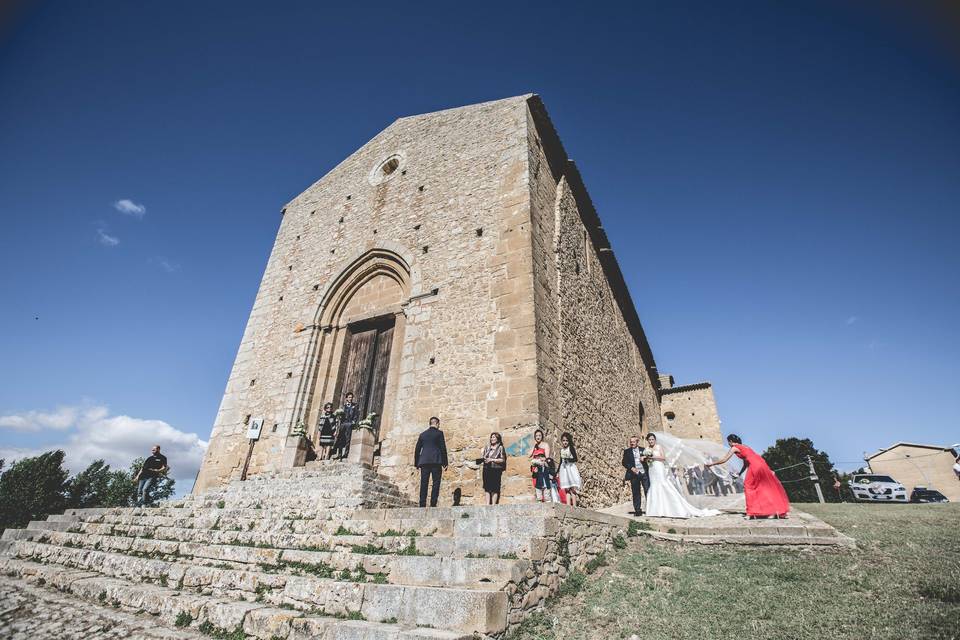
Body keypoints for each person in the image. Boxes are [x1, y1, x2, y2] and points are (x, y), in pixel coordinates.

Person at [706, 434, 790, 519]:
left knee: (748, 486)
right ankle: (779, 511)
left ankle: (751, 513)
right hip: (761, 463)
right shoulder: (745, 447)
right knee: (764, 486)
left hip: (755, 465)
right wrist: (739, 474)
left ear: (731, 441)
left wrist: (711, 464)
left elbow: (724, 459)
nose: (728, 443)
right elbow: (746, 463)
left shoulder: (734, 448)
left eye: (728, 442)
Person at [644, 433, 720, 518]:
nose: (651, 441)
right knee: (654, 485)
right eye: (649, 440)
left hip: (659, 467)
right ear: (647, 440)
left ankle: (674, 508)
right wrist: (645, 459)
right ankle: (656, 510)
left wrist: (652, 457)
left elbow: (663, 458)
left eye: (652, 439)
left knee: (663, 484)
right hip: (652, 469)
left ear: (655, 440)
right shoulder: (647, 449)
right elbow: (647, 460)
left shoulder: (658, 447)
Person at [414, 416, 448, 507]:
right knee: (436, 482)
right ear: (436, 423)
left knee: (424, 483)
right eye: (438, 424)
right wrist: (445, 462)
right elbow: (443, 448)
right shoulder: (439, 433)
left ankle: (422, 504)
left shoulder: (422, 434)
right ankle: (433, 504)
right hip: (436, 461)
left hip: (424, 461)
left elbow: (417, 449)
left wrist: (416, 463)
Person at [622, 436, 650, 515]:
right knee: (636, 492)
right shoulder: (627, 451)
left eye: (633, 442)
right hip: (634, 474)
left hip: (644, 473)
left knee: (647, 490)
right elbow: (624, 462)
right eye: (631, 442)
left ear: (637, 442)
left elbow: (649, 459)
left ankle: (650, 508)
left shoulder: (643, 450)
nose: (632, 443)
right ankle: (637, 510)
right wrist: (631, 468)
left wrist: (645, 457)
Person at [529, 429, 556, 502]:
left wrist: (542, 463)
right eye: (536, 436)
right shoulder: (535, 446)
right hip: (535, 469)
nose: (538, 437)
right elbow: (529, 455)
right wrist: (534, 446)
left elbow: (547, 458)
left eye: (539, 435)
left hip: (542, 467)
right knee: (537, 485)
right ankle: (540, 501)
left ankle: (546, 502)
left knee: (544, 485)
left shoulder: (545, 445)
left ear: (542, 436)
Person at [480, 432, 507, 505]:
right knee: (487, 487)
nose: (492, 438)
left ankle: (494, 505)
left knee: (495, 487)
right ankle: (487, 504)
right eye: (491, 437)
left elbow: (502, 460)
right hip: (486, 469)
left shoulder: (500, 447)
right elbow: (484, 457)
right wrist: (484, 457)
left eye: (494, 437)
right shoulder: (487, 447)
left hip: (495, 469)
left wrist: (492, 460)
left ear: (498, 439)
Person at [558, 432, 582, 507]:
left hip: (570, 469)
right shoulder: (561, 450)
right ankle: (568, 506)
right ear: (562, 441)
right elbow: (560, 462)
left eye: (566, 440)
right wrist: (557, 471)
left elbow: (575, 459)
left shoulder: (570, 448)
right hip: (564, 470)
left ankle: (574, 506)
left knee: (572, 488)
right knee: (567, 489)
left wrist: (568, 460)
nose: (565, 442)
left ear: (569, 441)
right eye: (563, 440)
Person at [334, 392, 360, 459]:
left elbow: (356, 415)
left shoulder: (354, 406)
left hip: (349, 423)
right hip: (343, 424)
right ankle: (339, 454)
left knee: (348, 439)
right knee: (340, 438)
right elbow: (340, 415)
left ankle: (346, 453)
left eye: (351, 397)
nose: (350, 399)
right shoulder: (344, 406)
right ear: (346, 398)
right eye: (349, 397)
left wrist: (353, 422)